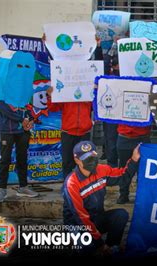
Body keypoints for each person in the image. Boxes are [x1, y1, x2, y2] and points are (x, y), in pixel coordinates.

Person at [63, 141, 139, 254]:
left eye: (93, 156)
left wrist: (134, 159)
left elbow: (123, 176)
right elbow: (81, 218)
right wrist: (99, 244)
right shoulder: (71, 183)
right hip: (78, 225)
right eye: (86, 158)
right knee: (88, 251)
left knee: (121, 215)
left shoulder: (102, 170)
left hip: (96, 218)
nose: (91, 160)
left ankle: (112, 247)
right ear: (77, 160)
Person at [44, 34, 103, 178]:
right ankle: (67, 188)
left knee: (85, 164)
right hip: (68, 132)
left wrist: (98, 46)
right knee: (67, 164)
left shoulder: (89, 87)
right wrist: (50, 96)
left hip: (84, 132)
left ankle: (84, 188)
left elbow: (99, 66)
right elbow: (53, 109)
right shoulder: (64, 87)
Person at [0, 100, 39, 202]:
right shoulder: (2, 88)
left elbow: (28, 106)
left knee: (22, 159)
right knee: (5, 159)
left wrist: (31, 120)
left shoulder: (23, 89)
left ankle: (23, 187)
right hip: (7, 130)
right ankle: (2, 189)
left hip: (23, 131)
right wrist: (22, 120)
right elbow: (2, 107)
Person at [102, 56, 120, 167]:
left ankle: (115, 164)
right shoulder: (107, 77)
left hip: (121, 115)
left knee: (115, 140)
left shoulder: (126, 76)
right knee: (111, 139)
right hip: (110, 114)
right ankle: (112, 164)